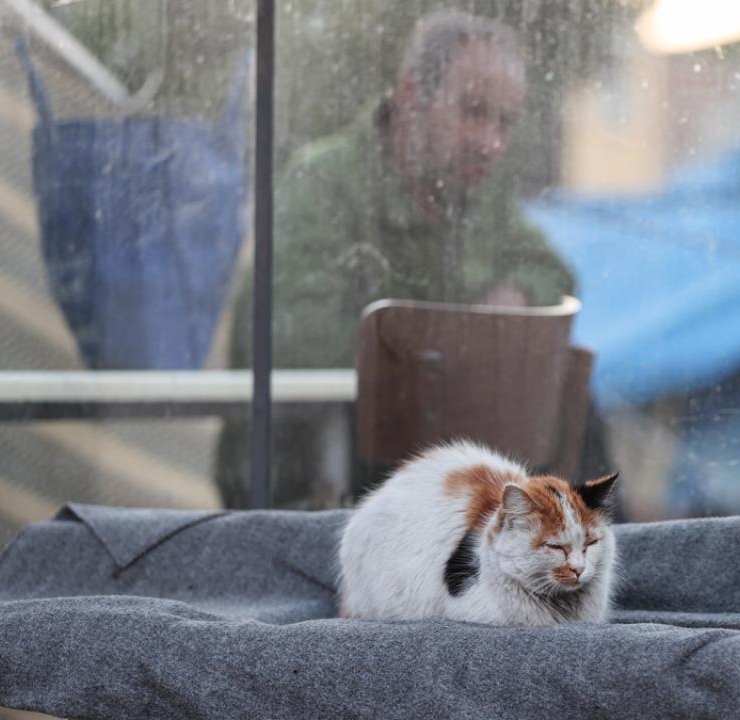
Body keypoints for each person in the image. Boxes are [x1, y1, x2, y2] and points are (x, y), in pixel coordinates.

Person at [217, 11, 577, 508]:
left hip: (428, 489)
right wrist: (454, 347)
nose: (491, 142)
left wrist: (513, 296)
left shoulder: (478, 197)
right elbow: (282, 343)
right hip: (304, 496)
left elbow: (552, 268)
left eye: (505, 122)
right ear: (411, 95)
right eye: (473, 111)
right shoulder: (320, 184)